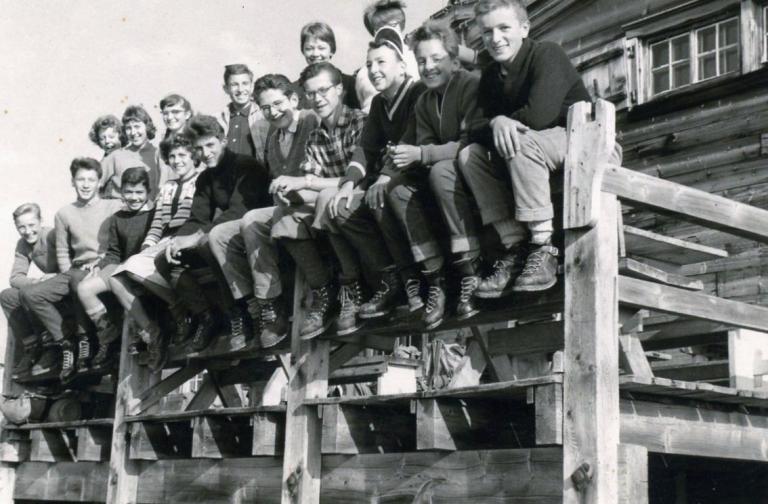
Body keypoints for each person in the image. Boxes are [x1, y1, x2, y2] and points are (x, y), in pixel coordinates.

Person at [459, 0, 611, 296]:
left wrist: (502, 122)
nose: (496, 38)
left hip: (579, 139)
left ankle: (543, 246)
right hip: (536, 146)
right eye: (487, 32)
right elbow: (473, 127)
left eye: (504, 28)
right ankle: (515, 248)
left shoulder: (546, 54)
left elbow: (539, 116)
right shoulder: (491, 75)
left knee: (520, 140)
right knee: (470, 156)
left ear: (524, 28)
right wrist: (496, 122)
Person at [386, 21, 484, 330]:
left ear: (454, 61)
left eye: (436, 59)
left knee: (441, 170)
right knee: (397, 188)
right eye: (422, 61)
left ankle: (470, 271)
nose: (428, 67)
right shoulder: (425, 101)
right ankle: (436, 279)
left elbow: (469, 142)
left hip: (476, 172)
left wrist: (422, 154)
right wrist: (405, 158)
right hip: (442, 179)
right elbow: (425, 144)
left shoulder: (469, 85)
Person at [209, 73, 319, 349]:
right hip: (287, 206)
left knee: (253, 219)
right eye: (266, 107)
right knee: (219, 235)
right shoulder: (272, 137)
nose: (273, 112)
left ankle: (274, 305)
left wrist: (296, 188)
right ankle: (260, 307)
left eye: (278, 104)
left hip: (314, 202)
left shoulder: (310, 121)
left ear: (293, 100)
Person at [325, 27, 426, 324]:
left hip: (420, 170)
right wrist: (347, 185)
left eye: (381, 62)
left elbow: (411, 136)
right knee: (342, 208)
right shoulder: (381, 103)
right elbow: (365, 149)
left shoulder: (417, 91)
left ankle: (413, 279)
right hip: (394, 174)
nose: (374, 70)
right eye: (369, 64)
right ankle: (390, 280)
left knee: (380, 195)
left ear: (402, 66)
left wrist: (384, 177)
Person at [266, 62, 367, 340]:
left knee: (325, 197)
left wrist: (306, 183)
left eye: (324, 91)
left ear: (340, 89)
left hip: (362, 200)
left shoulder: (360, 121)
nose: (317, 99)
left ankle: (352, 289)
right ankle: (324, 292)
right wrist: (291, 192)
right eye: (311, 94)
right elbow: (312, 186)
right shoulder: (315, 137)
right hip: (330, 205)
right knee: (285, 216)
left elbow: (359, 178)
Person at [156, 115, 271, 353]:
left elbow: (239, 211)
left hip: (254, 233)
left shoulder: (246, 165)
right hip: (222, 235)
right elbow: (198, 218)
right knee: (164, 259)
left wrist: (197, 237)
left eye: (210, 145)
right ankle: (207, 317)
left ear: (223, 141)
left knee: (208, 242)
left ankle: (242, 312)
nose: (205, 153)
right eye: (199, 148)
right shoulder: (206, 177)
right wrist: (177, 241)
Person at [20, 158, 122, 380]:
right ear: (72, 182)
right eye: (80, 179)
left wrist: (102, 262)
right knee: (30, 294)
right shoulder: (64, 213)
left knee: (78, 280)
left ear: (99, 182)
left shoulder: (114, 206)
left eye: (91, 180)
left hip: (104, 265)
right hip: (76, 269)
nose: (85, 184)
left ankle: (87, 341)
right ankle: (67, 343)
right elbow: (63, 251)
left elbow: (121, 240)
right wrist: (66, 273)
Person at [110, 131, 203, 370]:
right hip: (163, 241)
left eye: (182, 155)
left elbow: (200, 217)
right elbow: (157, 225)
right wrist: (146, 248)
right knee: (117, 279)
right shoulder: (168, 187)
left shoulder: (201, 180)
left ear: (193, 156)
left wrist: (180, 240)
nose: (177, 161)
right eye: (172, 156)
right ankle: (153, 332)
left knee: (136, 267)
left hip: (189, 238)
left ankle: (180, 313)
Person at [74, 168, 153, 372]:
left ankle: (144, 334)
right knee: (84, 288)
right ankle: (108, 335)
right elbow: (114, 252)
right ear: (122, 192)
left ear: (148, 191)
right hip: (120, 266)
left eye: (139, 192)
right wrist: (99, 267)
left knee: (122, 282)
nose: (134, 197)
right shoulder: (118, 218)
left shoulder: (154, 215)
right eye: (128, 192)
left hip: (143, 268)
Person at [0, 203, 58, 377]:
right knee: (8, 296)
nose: (27, 231)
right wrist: (36, 282)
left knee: (30, 294)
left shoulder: (52, 235)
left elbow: (72, 260)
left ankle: (52, 348)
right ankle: (32, 347)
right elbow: (15, 277)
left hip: (64, 282)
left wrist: (57, 276)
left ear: (41, 221)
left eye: (32, 225)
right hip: (44, 288)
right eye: (21, 227)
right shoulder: (23, 244)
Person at [100, 105, 169, 199]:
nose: (133, 132)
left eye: (137, 126)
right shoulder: (116, 155)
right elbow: (94, 181)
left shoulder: (158, 155)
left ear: (147, 127)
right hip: (120, 206)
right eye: (128, 128)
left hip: (149, 206)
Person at [295, 22, 361, 111]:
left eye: (321, 48)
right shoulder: (294, 90)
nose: (315, 54)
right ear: (303, 51)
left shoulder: (350, 84)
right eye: (309, 48)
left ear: (332, 50)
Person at [218, 63, 270, 166]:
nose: (240, 89)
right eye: (234, 84)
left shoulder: (264, 117)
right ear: (226, 88)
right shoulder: (219, 120)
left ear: (252, 86)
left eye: (245, 83)